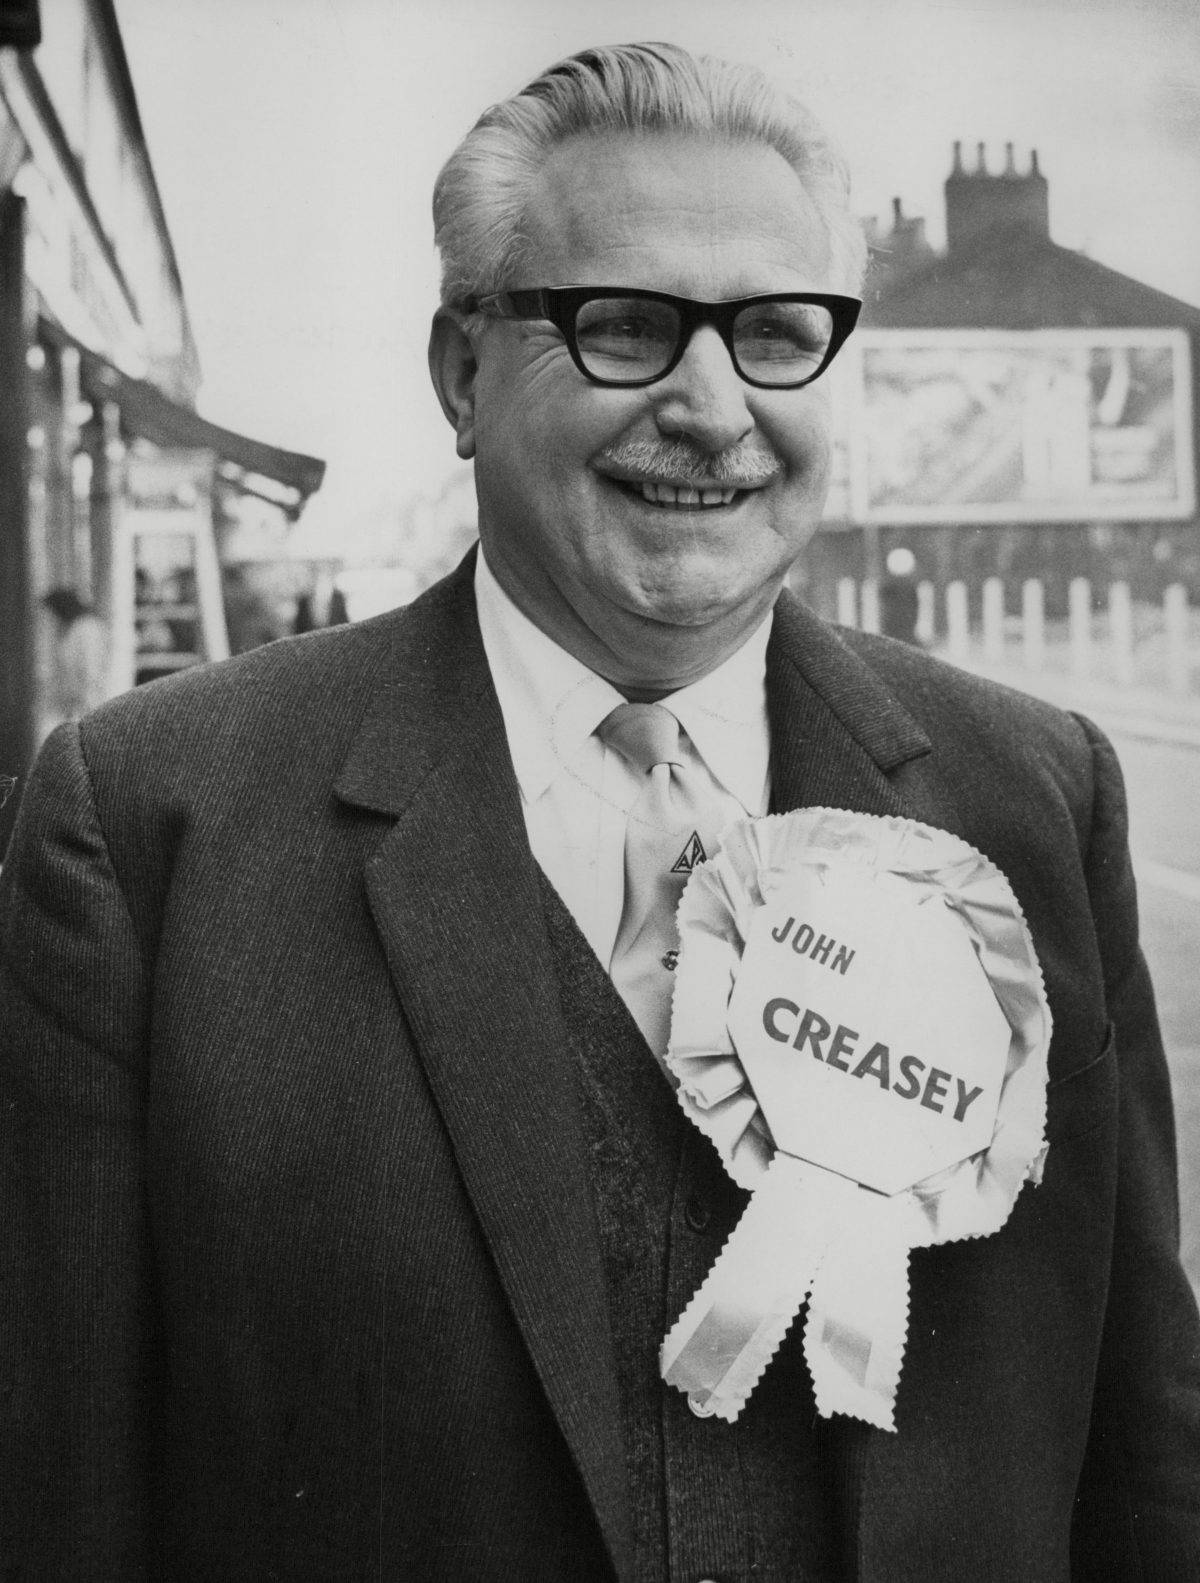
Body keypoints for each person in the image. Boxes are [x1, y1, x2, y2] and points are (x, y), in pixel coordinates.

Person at [1, 42, 1198, 1583]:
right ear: (460, 374)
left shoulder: (1034, 799)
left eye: (778, 334)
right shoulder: (145, 825)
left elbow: (1142, 1457)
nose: (712, 408)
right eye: (623, 328)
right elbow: (57, 1501)